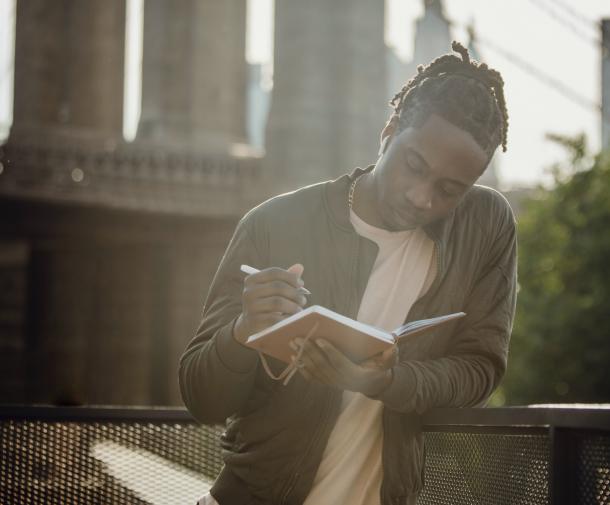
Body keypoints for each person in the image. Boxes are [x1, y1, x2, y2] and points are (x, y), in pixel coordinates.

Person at [180, 41, 516, 505]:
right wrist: (243, 330)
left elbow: (480, 368)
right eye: (414, 166)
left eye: (450, 190)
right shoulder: (275, 222)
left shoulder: (485, 226)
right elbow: (202, 398)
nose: (423, 197)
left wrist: (383, 382)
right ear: (390, 128)